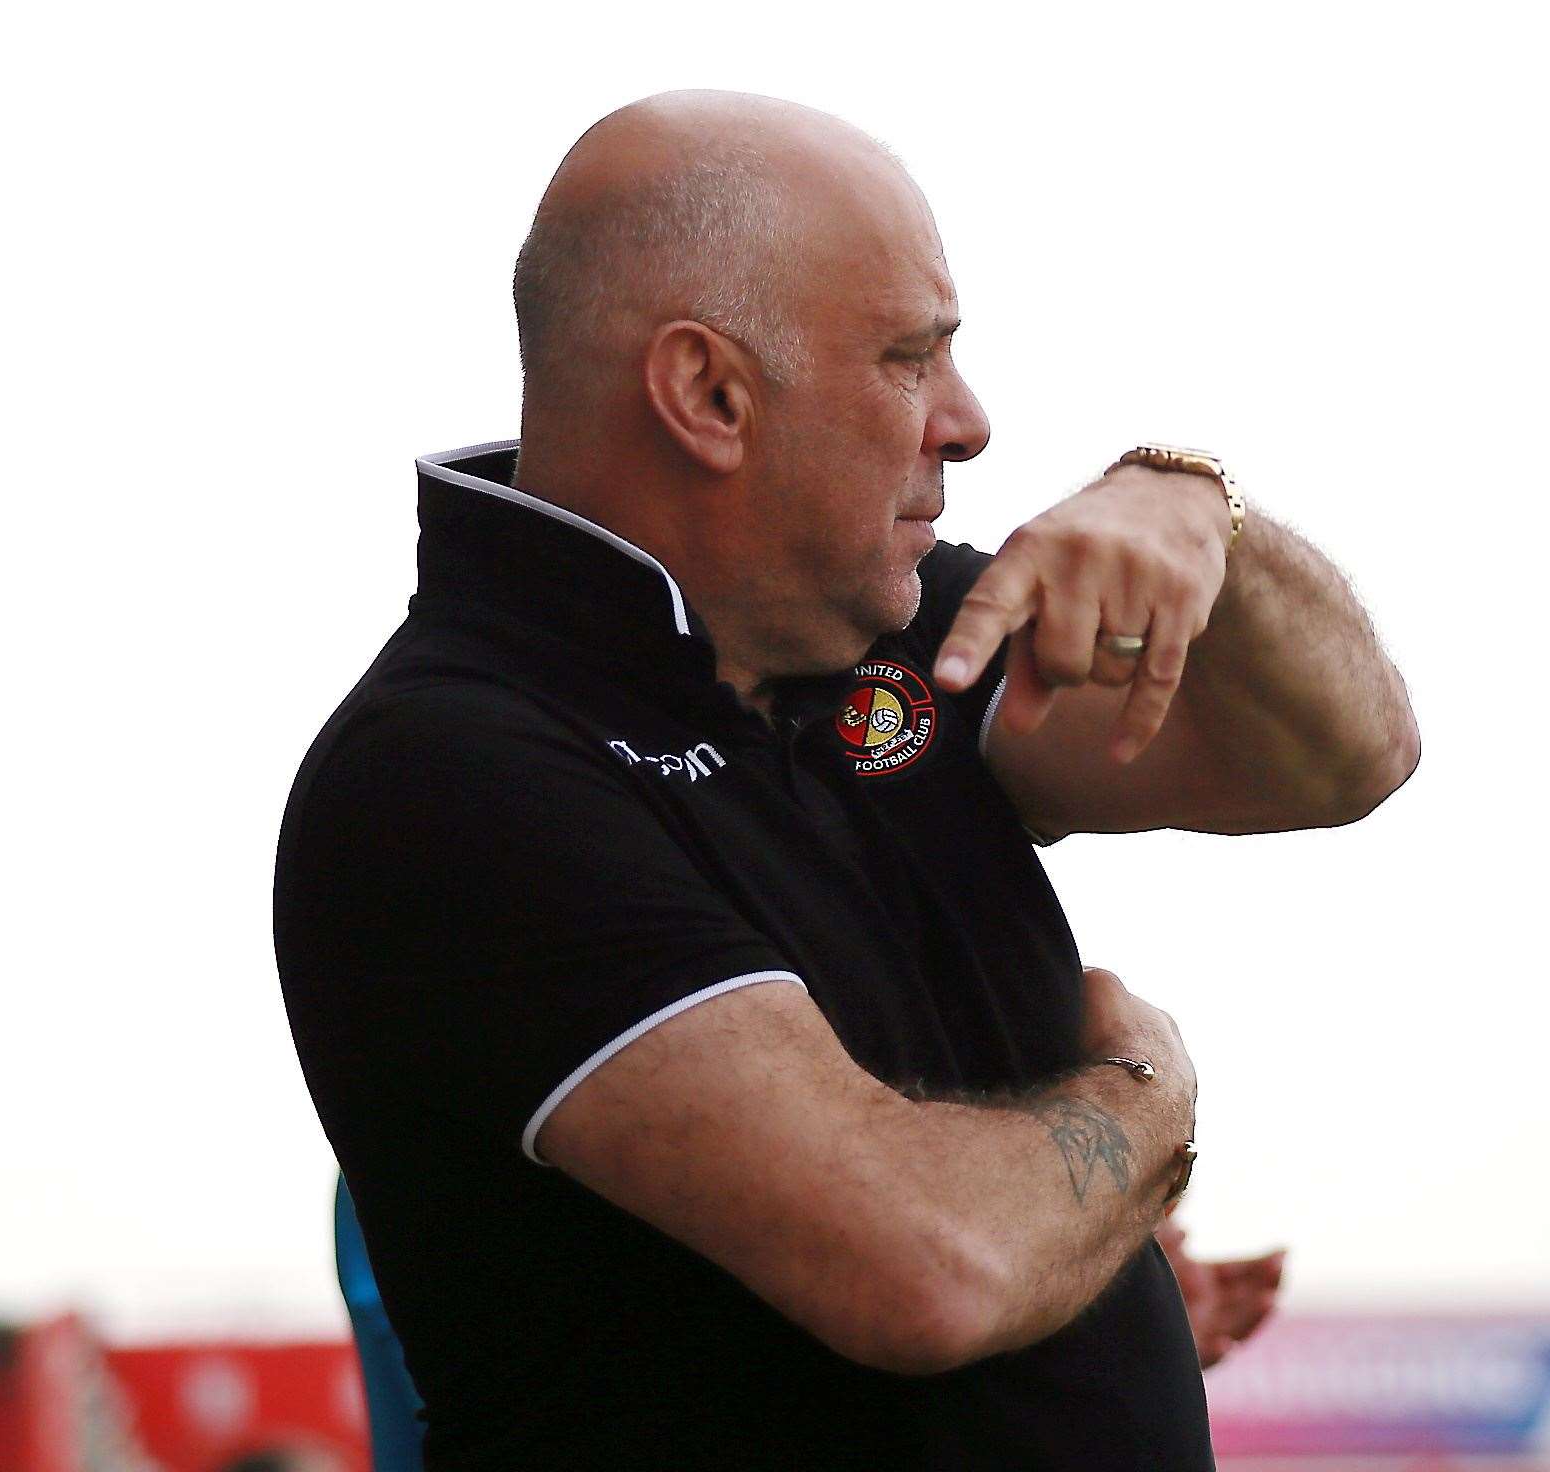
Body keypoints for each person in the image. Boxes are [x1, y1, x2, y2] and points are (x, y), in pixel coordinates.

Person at [273, 89, 1418, 1471]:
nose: (970, 422)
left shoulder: (901, 625)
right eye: (907, 357)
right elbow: (926, 1266)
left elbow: (1347, 755)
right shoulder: (451, 771)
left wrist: (1193, 510)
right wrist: (1138, 1102)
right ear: (708, 394)